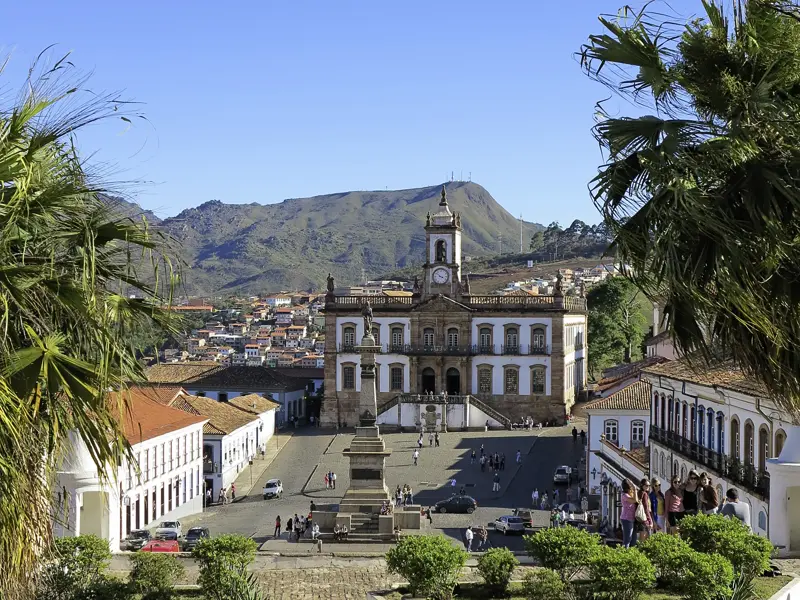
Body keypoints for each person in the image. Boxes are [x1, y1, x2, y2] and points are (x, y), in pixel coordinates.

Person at [620, 478, 639, 547]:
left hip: (632, 519)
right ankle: (624, 553)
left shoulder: (630, 494)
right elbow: (634, 500)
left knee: (634, 540)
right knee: (627, 539)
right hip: (626, 518)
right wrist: (635, 489)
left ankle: (632, 554)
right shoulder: (624, 495)